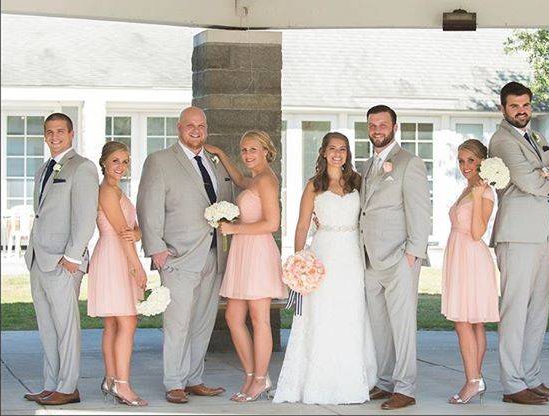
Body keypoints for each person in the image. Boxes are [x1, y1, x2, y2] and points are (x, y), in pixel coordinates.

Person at [136, 106, 234, 404]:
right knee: (177, 322)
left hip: (214, 253)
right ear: (179, 128)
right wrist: (157, 250)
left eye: (201, 125)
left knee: (203, 321)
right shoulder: (160, 161)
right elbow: (147, 206)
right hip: (177, 256)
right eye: (190, 125)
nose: (196, 130)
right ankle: (174, 382)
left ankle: (194, 378)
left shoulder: (214, 162)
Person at [273, 132, 377, 404]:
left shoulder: (357, 182)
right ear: (323, 152)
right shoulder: (314, 185)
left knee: (351, 313)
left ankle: (353, 381)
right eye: (332, 148)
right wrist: (299, 261)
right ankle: (318, 381)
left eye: (343, 149)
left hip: (351, 254)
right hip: (324, 254)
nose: (338, 153)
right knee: (322, 314)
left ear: (348, 154)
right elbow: (301, 225)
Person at [488, 82, 549, 405]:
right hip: (517, 235)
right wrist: (548, 175)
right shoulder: (502, 141)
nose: (521, 111)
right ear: (503, 109)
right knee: (515, 309)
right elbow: (527, 181)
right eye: (514, 106)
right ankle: (512, 384)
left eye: (525, 105)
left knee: (538, 309)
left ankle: (531, 376)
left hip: (543, 233)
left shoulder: (535, 137)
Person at [359, 105, 432, 410]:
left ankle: (405, 387)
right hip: (369, 258)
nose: (377, 130)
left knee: (402, 326)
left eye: (383, 125)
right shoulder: (365, 165)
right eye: (372, 125)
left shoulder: (409, 163)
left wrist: (413, 254)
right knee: (379, 325)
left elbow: (420, 212)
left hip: (400, 257)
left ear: (395, 127)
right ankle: (385, 380)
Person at [23, 112, 99, 406]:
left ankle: (68, 387)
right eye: (49, 132)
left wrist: (73, 257)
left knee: (66, 328)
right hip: (38, 259)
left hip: (63, 262)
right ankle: (51, 384)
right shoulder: (44, 168)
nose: (55, 137)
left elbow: (84, 217)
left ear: (71, 134)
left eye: (60, 131)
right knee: (47, 326)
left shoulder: (82, 168)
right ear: (45, 135)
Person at [206, 130, 286, 402]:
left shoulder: (267, 181)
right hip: (242, 251)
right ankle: (252, 375)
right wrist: (220, 154)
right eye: (244, 150)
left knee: (259, 318)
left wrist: (233, 228)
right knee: (232, 317)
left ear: (266, 151)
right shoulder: (254, 178)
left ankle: (260, 378)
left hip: (258, 252)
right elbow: (239, 179)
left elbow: (272, 224)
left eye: (253, 149)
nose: (248, 155)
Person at [88, 141, 148, 406]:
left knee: (114, 323)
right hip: (114, 256)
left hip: (119, 252)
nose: (121, 166)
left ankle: (111, 379)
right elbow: (123, 233)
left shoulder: (118, 190)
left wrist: (137, 233)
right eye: (116, 161)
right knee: (127, 322)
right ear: (104, 163)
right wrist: (137, 266)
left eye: (125, 161)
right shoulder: (107, 192)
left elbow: (132, 230)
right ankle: (122, 385)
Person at [441, 139, 499, 405]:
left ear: (482, 162)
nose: (465, 166)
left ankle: (472, 381)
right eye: (461, 161)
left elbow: (477, 232)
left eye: (471, 161)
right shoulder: (468, 188)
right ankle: (475, 378)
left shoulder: (484, 192)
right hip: (459, 254)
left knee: (465, 320)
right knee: (471, 321)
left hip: (472, 257)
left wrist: (477, 198)